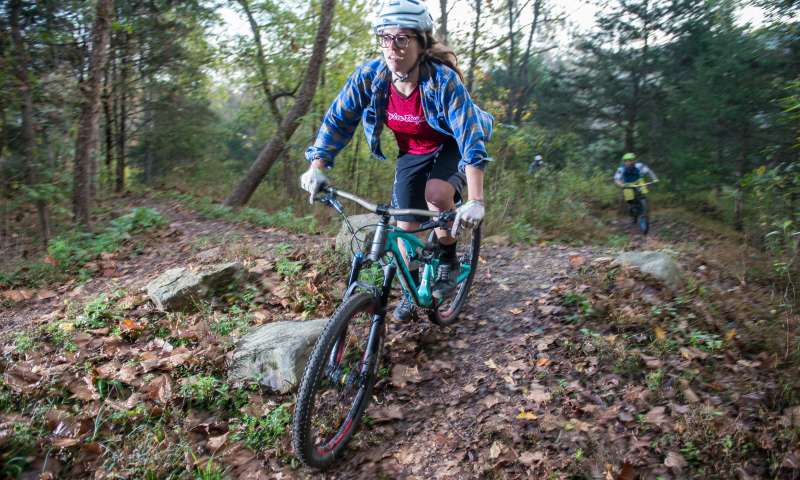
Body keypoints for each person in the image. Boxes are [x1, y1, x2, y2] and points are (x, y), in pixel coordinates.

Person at [299, 0, 494, 321]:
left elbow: (470, 139)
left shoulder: (443, 81)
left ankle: (447, 257)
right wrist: (316, 165)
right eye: (385, 38)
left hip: (453, 144)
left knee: (436, 195)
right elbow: (338, 120)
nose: (392, 48)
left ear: (421, 42)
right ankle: (411, 289)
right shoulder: (371, 77)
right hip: (415, 150)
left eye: (402, 39)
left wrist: (476, 200)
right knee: (404, 225)